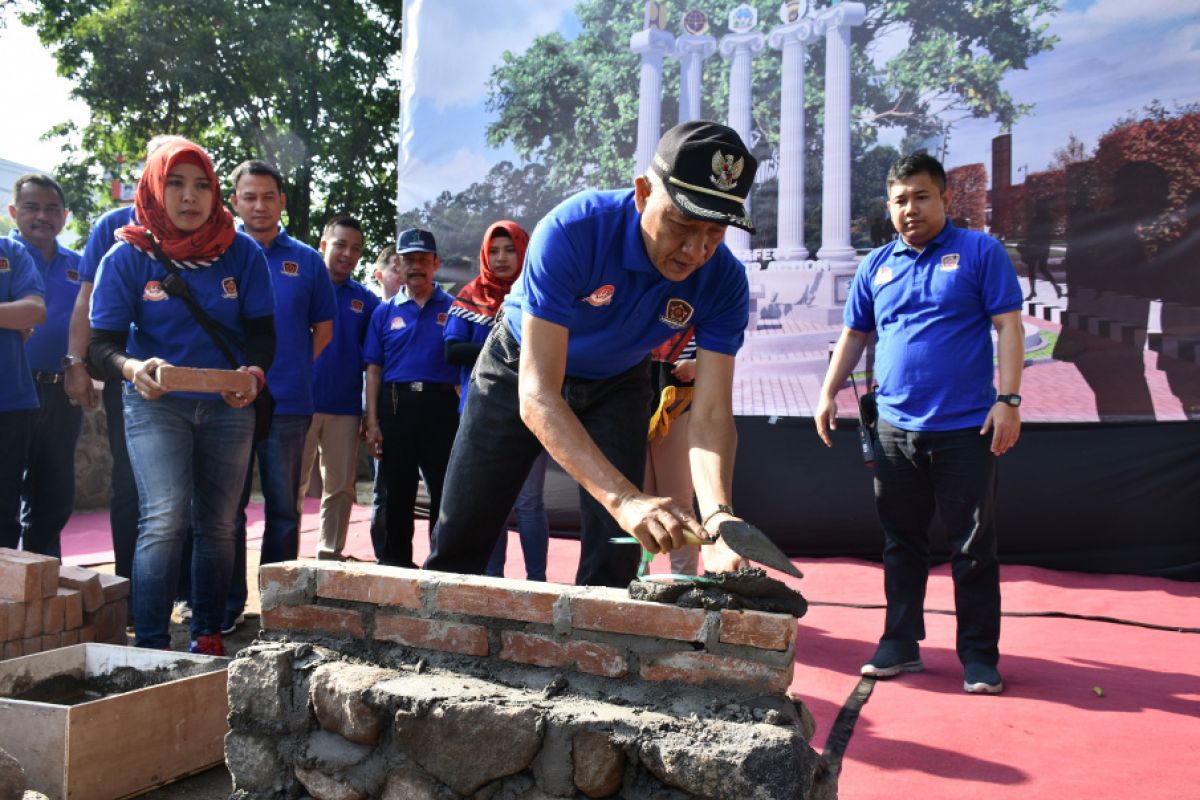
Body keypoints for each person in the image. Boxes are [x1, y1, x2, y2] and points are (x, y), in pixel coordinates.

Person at [425, 120, 755, 587]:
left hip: (618, 384)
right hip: (518, 369)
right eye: (682, 224)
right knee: (462, 530)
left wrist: (720, 518)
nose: (697, 249)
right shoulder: (573, 231)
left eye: (716, 232)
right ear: (643, 192)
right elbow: (537, 395)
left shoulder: (724, 280)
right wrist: (623, 498)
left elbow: (713, 410)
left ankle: (596, 655)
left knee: (616, 555)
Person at [815, 152, 1024, 695]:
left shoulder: (980, 252)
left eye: (922, 196)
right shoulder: (876, 265)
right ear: (889, 206)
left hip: (966, 430)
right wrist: (827, 390)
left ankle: (978, 656)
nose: (911, 209)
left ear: (945, 198)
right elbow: (855, 336)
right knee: (900, 543)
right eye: (900, 200)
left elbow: (1008, 326)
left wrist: (1009, 398)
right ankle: (900, 643)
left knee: (973, 546)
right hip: (894, 429)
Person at [89, 138, 275, 654]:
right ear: (153, 185)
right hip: (154, 404)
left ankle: (208, 634)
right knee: (164, 517)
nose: (189, 197)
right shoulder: (127, 254)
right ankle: (150, 643)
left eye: (201, 185)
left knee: (217, 522)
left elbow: (263, 334)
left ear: (216, 193)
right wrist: (131, 368)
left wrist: (254, 375)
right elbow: (99, 346)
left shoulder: (243, 252)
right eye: (175, 183)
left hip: (228, 407)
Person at [66, 134, 189, 605]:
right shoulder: (114, 226)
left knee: (189, 490)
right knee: (129, 486)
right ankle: (130, 594)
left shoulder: (212, 230)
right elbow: (86, 301)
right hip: (130, 379)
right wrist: (77, 364)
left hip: (194, 382)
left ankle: (182, 590)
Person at [223, 160, 335, 632]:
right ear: (234, 202)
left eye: (269, 196)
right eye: (249, 197)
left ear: (282, 202)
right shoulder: (219, 254)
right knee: (224, 513)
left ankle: (279, 610)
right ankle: (225, 606)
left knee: (285, 511)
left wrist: (284, 369)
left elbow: (324, 330)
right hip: (227, 403)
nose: (260, 206)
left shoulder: (306, 260)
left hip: (288, 402)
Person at [443, 220, 551, 581]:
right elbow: (452, 350)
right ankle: (492, 583)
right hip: (481, 413)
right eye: (494, 251)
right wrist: (507, 347)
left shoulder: (540, 292)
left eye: (510, 249)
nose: (502, 258)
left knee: (529, 501)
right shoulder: (470, 295)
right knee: (489, 504)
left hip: (534, 409)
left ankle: (538, 583)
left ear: (524, 252)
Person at [363, 229, 459, 568]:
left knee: (444, 493)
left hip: (441, 408)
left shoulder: (455, 309)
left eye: (422, 259)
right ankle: (395, 563)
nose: (416, 266)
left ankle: (441, 565)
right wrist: (371, 422)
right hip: (395, 407)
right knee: (396, 492)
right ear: (398, 265)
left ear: (436, 263)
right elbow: (373, 369)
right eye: (408, 260)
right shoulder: (384, 313)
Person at [8, 173, 83, 558]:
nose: (42, 216)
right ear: (12, 211)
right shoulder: (6, 258)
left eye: (52, 208)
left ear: (65, 216)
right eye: (32, 207)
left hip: (61, 390)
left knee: (54, 496)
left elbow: (93, 321)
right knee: (5, 494)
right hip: (11, 392)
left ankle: (44, 580)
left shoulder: (82, 266)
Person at [298, 215, 378, 560]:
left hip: (344, 408)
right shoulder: (301, 288)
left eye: (356, 248)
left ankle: (329, 554)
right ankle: (283, 554)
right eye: (341, 244)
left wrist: (370, 416)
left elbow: (374, 362)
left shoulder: (366, 300)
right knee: (291, 486)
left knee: (340, 487)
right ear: (323, 245)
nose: (348, 253)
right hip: (297, 405)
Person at [644, 326, 701, 576]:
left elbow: (725, 353)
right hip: (625, 399)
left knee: (679, 503)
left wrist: (700, 364)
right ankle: (632, 582)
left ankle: (684, 583)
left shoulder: (707, 294)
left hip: (679, 401)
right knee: (633, 500)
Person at [0, 238, 46, 550]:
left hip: (10, 402)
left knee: (4, 511)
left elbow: (34, 311)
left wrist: (20, 315)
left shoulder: (10, 251)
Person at [368, 244, 403, 559]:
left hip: (421, 415)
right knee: (382, 489)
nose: (402, 272)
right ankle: (384, 555)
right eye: (395, 266)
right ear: (379, 275)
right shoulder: (375, 312)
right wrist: (371, 421)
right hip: (378, 411)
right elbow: (372, 370)